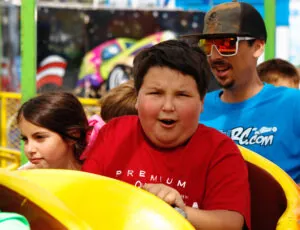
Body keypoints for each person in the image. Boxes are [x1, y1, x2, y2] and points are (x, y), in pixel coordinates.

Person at [82, 40, 251, 230]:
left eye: (182, 95)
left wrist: (178, 210)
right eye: (156, 93)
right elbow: (86, 194)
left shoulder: (220, 150)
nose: (168, 107)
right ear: (137, 97)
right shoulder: (114, 133)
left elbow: (232, 223)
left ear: (202, 101)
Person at [183, 1, 300, 184]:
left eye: (226, 44)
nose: (214, 56)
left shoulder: (293, 105)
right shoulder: (195, 110)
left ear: (258, 46)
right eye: (208, 45)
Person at [17, 92, 90, 170]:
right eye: (25, 139)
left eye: (39, 137)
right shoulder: (22, 177)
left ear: (73, 135)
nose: (29, 149)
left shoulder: (97, 177)